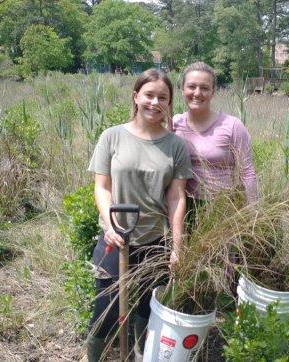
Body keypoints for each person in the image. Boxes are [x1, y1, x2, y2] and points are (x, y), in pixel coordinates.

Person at [86, 69, 191, 361]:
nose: (155, 102)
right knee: (105, 306)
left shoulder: (176, 146)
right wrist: (110, 225)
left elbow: (176, 197)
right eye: (149, 95)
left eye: (163, 97)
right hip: (115, 239)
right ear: (136, 96)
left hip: (154, 240)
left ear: (170, 103)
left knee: (146, 307)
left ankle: (139, 352)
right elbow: (101, 187)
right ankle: (94, 356)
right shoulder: (112, 136)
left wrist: (177, 246)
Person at [173, 61, 258, 217]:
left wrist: (252, 214)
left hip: (221, 207)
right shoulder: (175, 123)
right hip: (182, 206)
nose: (197, 93)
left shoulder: (232, 125)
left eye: (204, 88)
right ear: (182, 89)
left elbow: (248, 172)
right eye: (191, 86)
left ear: (213, 91)